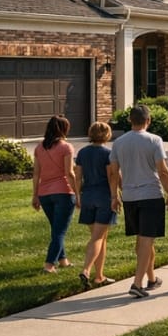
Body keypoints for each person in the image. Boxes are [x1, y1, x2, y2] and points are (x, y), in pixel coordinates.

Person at [109, 105, 168, 298]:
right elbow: (162, 170)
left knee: (143, 240)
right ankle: (137, 283)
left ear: (130, 120)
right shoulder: (154, 140)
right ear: (149, 120)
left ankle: (151, 278)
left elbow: (113, 172)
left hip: (129, 196)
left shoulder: (119, 142)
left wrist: (114, 196)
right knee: (146, 240)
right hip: (151, 195)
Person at [74, 121, 117, 289]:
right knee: (98, 237)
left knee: (100, 237)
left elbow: (78, 177)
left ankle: (99, 276)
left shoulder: (83, 152)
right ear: (107, 134)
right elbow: (111, 176)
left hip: (88, 196)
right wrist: (115, 196)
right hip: (104, 197)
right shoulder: (107, 153)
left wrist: (77, 196)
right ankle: (86, 270)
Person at [31, 116, 77, 274]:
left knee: (56, 229)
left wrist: (35, 195)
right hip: (63, 192)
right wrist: (78, 192)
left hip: (44, 194)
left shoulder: (39, 148)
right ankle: (49, 264)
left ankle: (63, 260)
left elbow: (36, 174)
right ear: (64, 129)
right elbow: (69, 173)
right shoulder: (66, 147)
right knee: (59, 231)